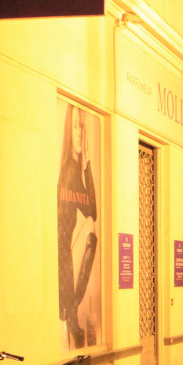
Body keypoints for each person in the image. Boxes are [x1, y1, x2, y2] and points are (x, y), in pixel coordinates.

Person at [57, 104, 99, 349]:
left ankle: (73, 318)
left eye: (82, 125)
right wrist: (88, 165)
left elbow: (90, 211)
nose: (80, 132)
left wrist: (88, 163)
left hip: (64, 259)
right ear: (67, 132)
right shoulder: (69, 171)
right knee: (91, 234)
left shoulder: (72, 169)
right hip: (61, 262)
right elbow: (91, 212)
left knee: (92, 234)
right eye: (75, 126)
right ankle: (72, 316)